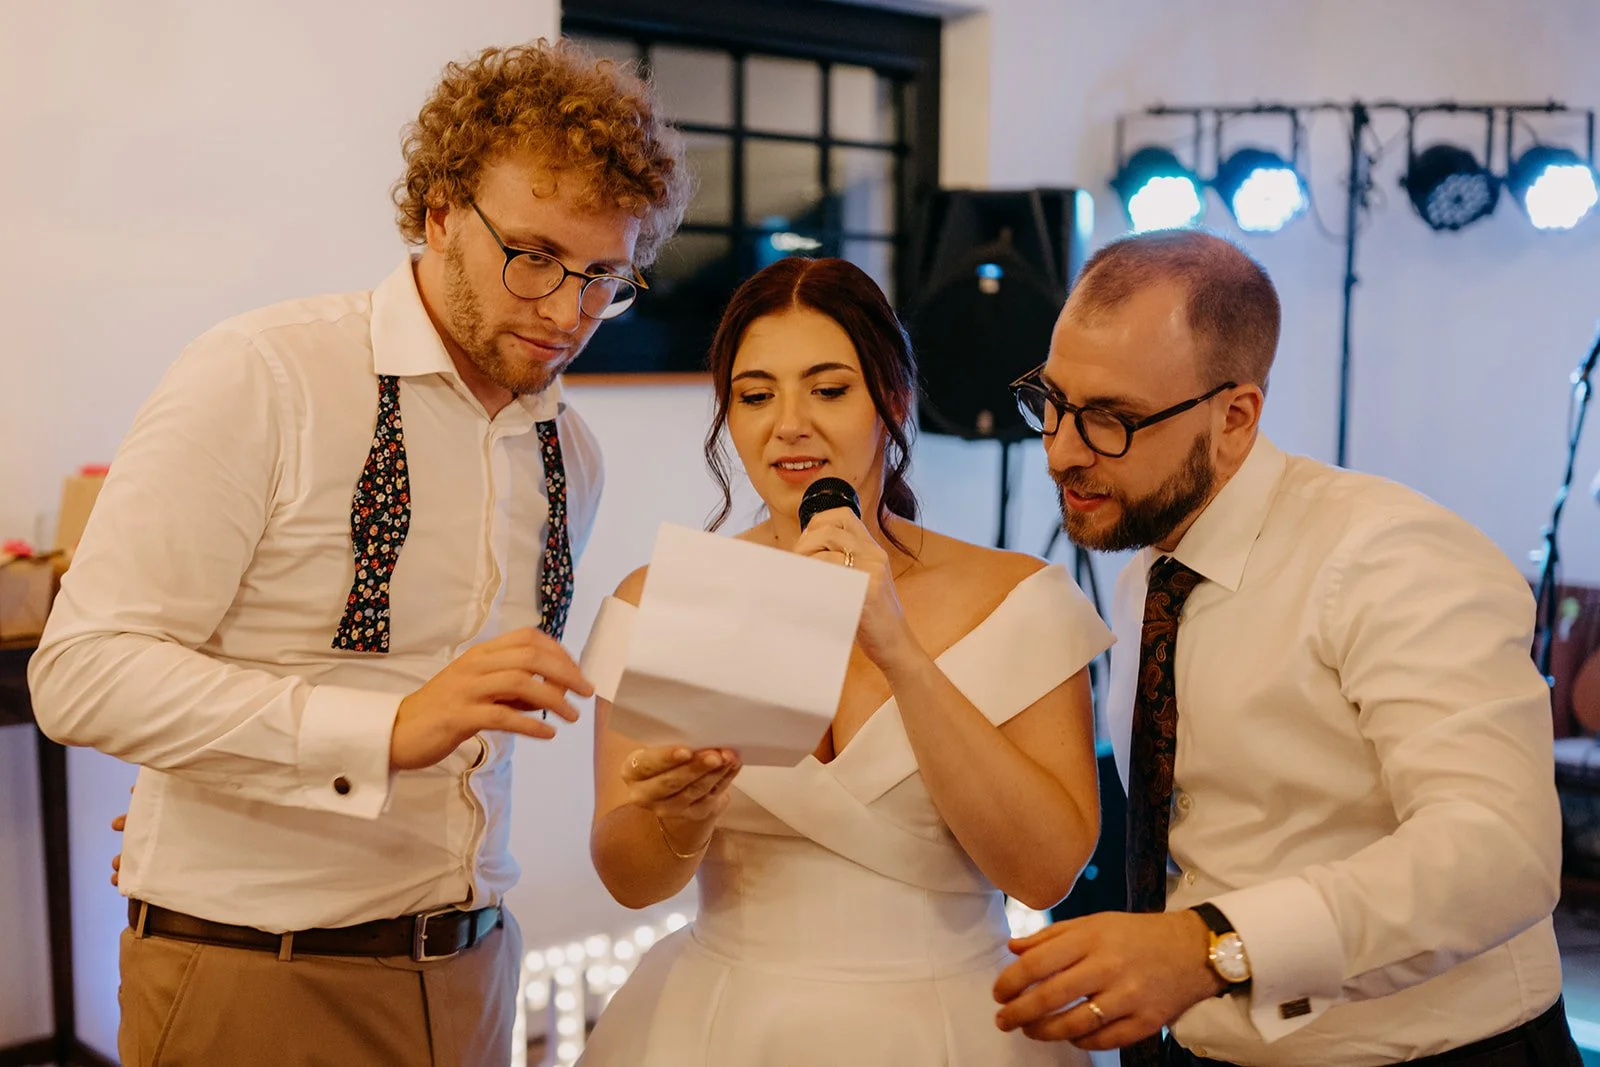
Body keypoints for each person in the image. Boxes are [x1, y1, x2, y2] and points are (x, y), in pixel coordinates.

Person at [29, 39, 688, 1067]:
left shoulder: (572, 454)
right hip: (259, 974)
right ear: (439, 211)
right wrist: (380, 728)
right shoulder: (265, 376)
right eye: (533, 255)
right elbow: (79, 672)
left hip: (474, 976)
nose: (568, 311)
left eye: (605, 275)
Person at [991, 229, 1578, 1066]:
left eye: (1111, 420)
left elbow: (1501, 852)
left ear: (1235, 416)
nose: (1061, 449)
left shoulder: (1390, 556)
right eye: (1051, 402)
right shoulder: (1147, 571)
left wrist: (1209, 946)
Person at [574, 255, 1112, 1067]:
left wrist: (899, 649)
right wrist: (681, 817)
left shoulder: (1020, 599)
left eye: (828, 390)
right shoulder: (661, 601)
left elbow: (1046, 873)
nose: (789, 424)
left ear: (892, 399)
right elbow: (628, 877)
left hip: (952, 1026)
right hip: (722, 1024)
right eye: (756, 395)